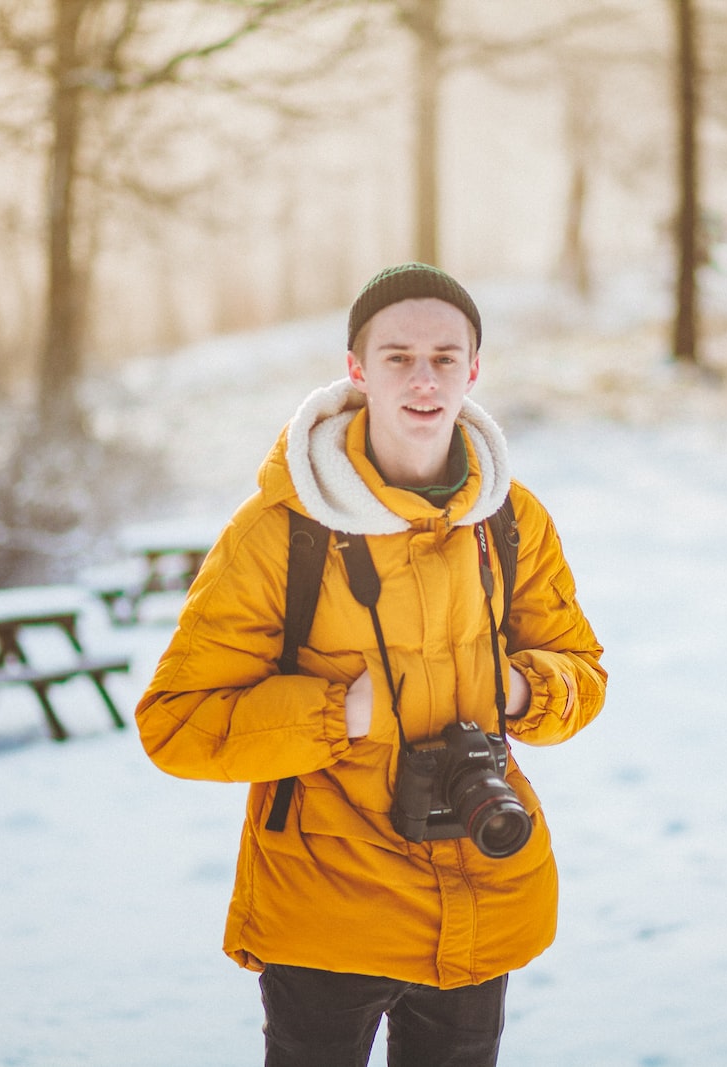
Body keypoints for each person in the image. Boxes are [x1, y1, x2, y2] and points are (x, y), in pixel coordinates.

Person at [135, 262, 607, 1067]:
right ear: (356, 369)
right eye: (397, 357)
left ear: (473, 370)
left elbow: (582, 669)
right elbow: (175, 722)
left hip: (479, 891)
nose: (423, 379)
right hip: (328, 914)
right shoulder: (282, 531)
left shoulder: (510, 519)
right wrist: (331, 713)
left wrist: (527, 689)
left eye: (444, 357)